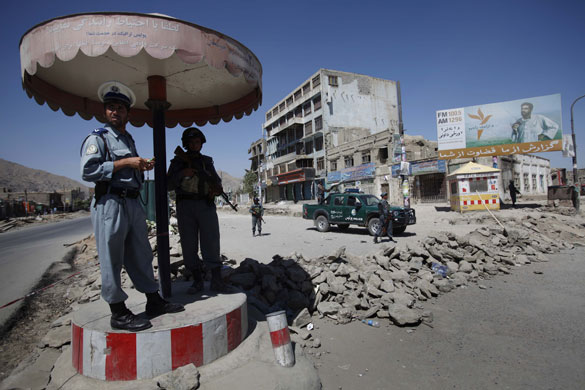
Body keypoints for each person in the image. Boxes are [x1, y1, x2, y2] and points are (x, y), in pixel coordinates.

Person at [80, 81, 184, 332]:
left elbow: (127, 169)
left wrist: (140, 166)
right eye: (110, 107)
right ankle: (118, 312)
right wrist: (127, 162)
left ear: (128, 113)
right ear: (105, 112)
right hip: (110, 203)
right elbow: (89, 170)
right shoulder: (98, 138)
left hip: (131, 201)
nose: (115, 111)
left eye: (120, 108)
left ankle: (153, 301)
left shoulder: (127, 138)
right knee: (111, 257)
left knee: (141, 253)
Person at [167, 127, 227, 294]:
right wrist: (181, 174)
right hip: (185, 206)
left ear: (201, 143)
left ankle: (216, 280)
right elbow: (167, 184)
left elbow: (215, 180)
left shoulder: (207, 162)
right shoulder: (178, 162)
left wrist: (216, 189)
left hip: (205, 204)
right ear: (186, 144)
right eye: (191, 142)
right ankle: (197, 281)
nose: (194, 145)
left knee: (211, 241)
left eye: (197, 142)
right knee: (188, 244)